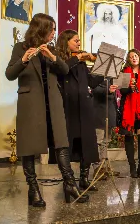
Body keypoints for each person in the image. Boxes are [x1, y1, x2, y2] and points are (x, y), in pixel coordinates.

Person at [5, 13, 88, 206]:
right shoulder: (21, 48)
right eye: (51, 29)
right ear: (41, 29)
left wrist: (52, 57)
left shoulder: (51, 49)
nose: (53, 33)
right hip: (31, 104)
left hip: (53, 103)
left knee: (61, 144)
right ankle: (33, 190)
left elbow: (65, 70)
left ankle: (70, 185)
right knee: (28, 147)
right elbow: (10, 74)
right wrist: (23, 60)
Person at [56, 29, 103, 192]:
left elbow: (91, 81)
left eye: (79, 40)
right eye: (76, 40)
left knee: (88, 143)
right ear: (66, 41)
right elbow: (63, 70)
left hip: (84, 106)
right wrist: (78, 57)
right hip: (67, 106)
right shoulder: (59, 59)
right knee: (68, 144)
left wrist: (104, 69)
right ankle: (68, 180)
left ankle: (84, 178)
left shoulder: (82, 63)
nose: (79, 43)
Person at [119, 49, 140, 178]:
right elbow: (122, 92)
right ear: (128, 59)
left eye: (136, 56)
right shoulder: (124, 72)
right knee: (129, 136)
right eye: (131, 56)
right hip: (128, 109)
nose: (134, 58)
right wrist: (129, 88)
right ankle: (132, 167)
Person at [91, 78, 121, 180]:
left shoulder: (113, 75)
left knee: (105, 142)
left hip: (110, 111)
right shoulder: (97, 73)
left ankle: (104, 167)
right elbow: (94, 89)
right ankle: (97, 168)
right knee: (98, 142)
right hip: (99, 112)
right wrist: (108, 90)